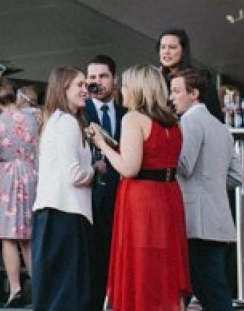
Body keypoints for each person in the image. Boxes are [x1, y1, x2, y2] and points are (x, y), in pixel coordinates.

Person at [87, 65, 189, 311]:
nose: (123, 91)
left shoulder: (133, 118)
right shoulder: (174, 123)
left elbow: (129, 168)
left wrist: (103, 144)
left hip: (141, 199)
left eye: (126, 86)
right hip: (169, 195)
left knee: (141, 265)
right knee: (164, 265)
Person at [171, 68, 236, 311]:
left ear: (194, 93)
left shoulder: (189, 120)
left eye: (177, 91)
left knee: (210, 292)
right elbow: (236, 177)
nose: (172, 97)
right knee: (213, 290)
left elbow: (184, 165)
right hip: (218, 218)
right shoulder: (222, 129)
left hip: (196, 221)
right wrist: (212, 185)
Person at [33, 66, 95, 311]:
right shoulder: (68, 123)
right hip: (67, 213)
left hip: (53, 212)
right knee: (68, 292)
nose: (85, 90)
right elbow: (74, 175)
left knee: (53, 289)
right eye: (78, 85)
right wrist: (96, 170)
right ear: (63, 88)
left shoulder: (54, 121)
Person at [0, 77, 42, 306]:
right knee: (28, 237)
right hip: (31, 174)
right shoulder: (35, 119)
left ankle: (15, 288)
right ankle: (39, 286)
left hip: (3, 177)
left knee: (7, 237)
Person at [84, 55, 122, 311]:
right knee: (91, 262)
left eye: (102, 76)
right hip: (89, 194)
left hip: (121, 194)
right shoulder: (79, 112)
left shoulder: (127, 113)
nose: (96, 82)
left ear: (114, 79)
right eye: (92, 78)